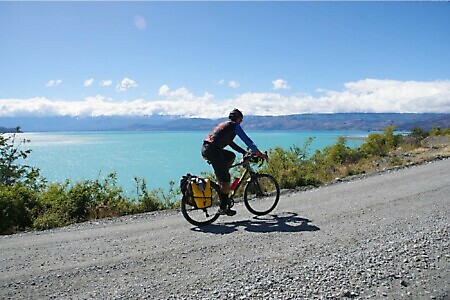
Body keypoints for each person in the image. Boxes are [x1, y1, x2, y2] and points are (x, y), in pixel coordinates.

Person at [201, 108, 267, 216]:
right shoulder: (234, 126)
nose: (241, 122)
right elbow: (247, 140)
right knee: (226, 180)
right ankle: (223, 207)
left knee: (231, 156)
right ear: (238, 119)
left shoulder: (225, 126)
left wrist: (244, 152)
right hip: (213, 151)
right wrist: (259, 153)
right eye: (241, 120)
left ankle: (222, 183)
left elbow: (231, 143)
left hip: (206, 149)